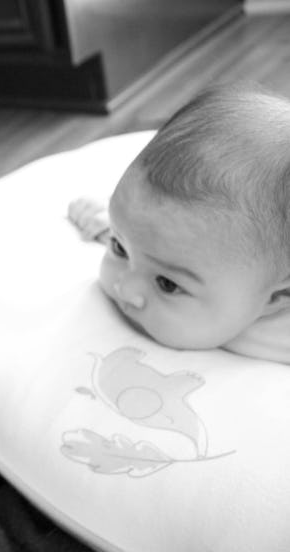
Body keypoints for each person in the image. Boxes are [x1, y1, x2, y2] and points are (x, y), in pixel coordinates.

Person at [68, 83, 290, 363]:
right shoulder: (167, 245)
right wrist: (102, 221)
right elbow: (147, 233)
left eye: (168, 284)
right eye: (119, 248)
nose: (125, 289)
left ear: (277, 297)